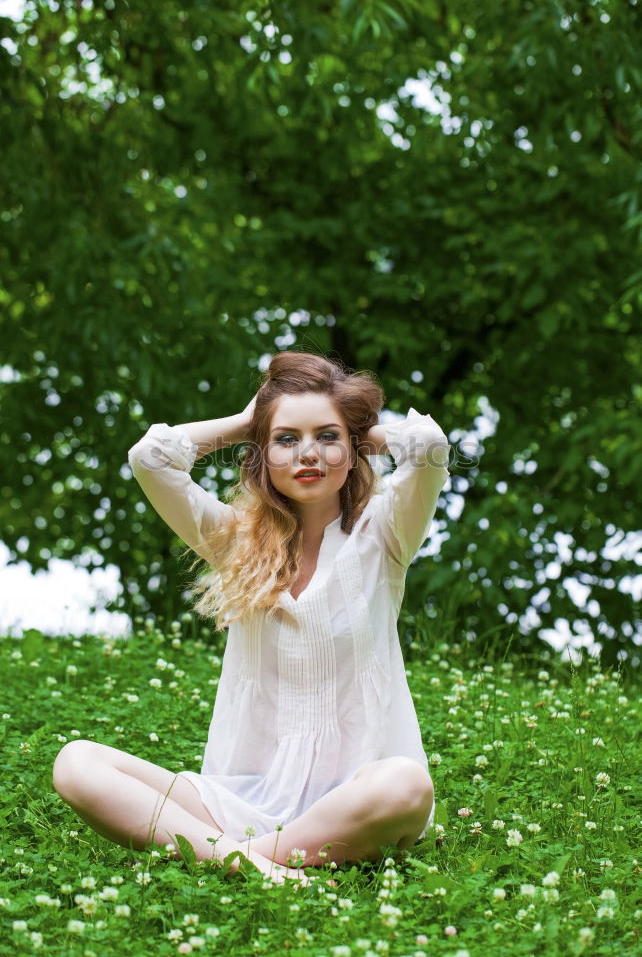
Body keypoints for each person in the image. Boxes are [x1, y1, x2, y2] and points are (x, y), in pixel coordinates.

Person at [52, 351, 451, 886]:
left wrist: (357, 430)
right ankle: (254, 862)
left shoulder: (385, 533)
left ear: (352, 448)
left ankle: (230, 858)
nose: (308, 453)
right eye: (286, 440)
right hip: (238, 800)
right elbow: (150, 459)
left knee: (406, 785)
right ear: (261, 454)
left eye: (326, 437)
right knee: (77, 763)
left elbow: (428, 448)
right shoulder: (234, 539)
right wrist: (250, 421)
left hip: (356, 797)